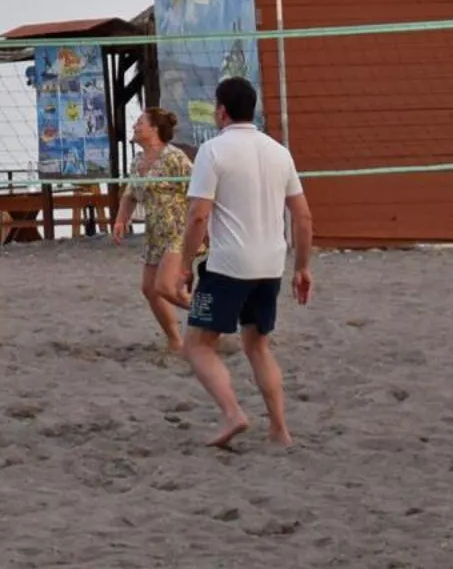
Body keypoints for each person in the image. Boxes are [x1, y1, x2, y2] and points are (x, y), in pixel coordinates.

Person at [161, 75, 313, 449]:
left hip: (230, 264)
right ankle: (280, 430)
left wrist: (183, 265)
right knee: (258, 345)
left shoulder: (213, 151)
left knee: (197, 344)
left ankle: (233, 414)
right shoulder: (280, 152)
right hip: (271, 263)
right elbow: (303, 217)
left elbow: (198, 215)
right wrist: (302, 268)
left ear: (222, 111)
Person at [111, 106, 196, 352]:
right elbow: (130, 194)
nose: (135, 127)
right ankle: (174, 339)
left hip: (178, 229)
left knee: (165, 287)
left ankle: (212, 315)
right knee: (149, 289)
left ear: (154, 129)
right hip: (154, 233)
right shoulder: (137, 161)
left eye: (140, 123)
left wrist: (201, 226)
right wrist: (120, 220)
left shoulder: (174, 157)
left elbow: (197, 190)